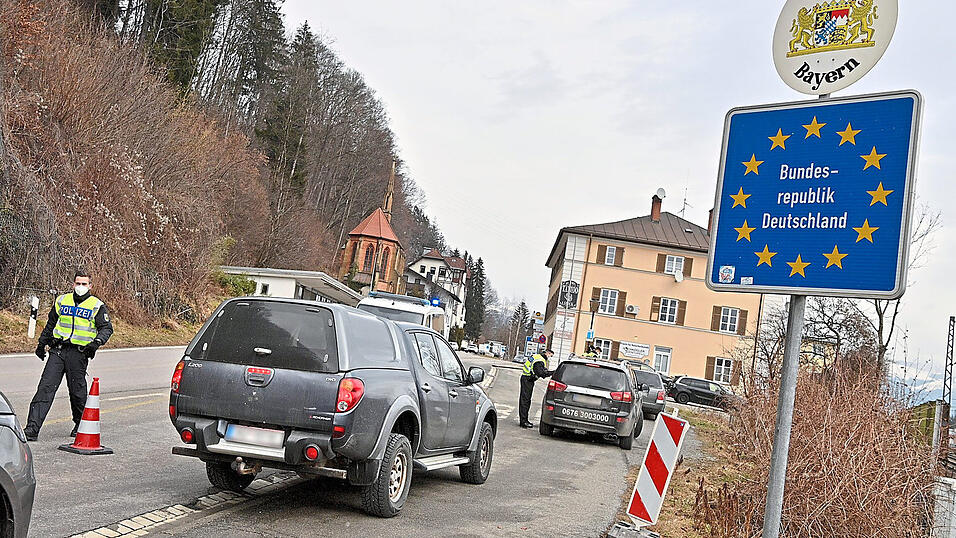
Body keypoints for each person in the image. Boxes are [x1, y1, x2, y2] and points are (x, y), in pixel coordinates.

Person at [24, 270, 113, 441]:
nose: (80, 287)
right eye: (78, 283)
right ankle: (32, 428)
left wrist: (96, 343)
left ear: (90, 286)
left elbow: (106, 328)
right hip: (58, 350)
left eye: (84, 284)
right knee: (45, 388)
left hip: (79, 354)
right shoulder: (62, 300)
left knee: (77, 392)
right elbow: (50, 323)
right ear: (73, 284)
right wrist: (42, 344)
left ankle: (80, 423)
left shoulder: (96, 305)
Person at [518, 348, 554, 428]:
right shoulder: (540, 360)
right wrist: (552, 373)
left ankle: (523, 420)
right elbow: (541, 373)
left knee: (525, 400)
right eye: (550, 355)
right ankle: (523, 421)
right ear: (547, 353)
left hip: (527, 378)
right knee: (525, 401)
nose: (550, 357)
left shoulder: (537, 357)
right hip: (528, 379)